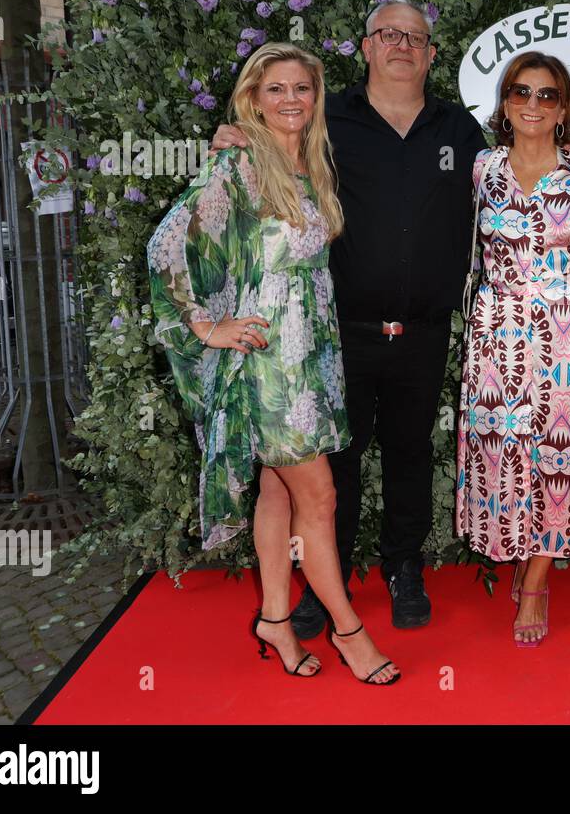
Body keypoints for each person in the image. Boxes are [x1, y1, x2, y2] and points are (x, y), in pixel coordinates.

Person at [211, 0, 487, 637]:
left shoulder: (459, 129)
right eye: (388, 34)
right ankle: (320, 583)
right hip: (336, 333)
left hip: (424, 330)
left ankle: (404, 566)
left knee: (411, 454)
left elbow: (506, 192)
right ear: (365, 47)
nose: (402, 45)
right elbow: (269, 151)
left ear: (432, 54)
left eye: (415, 37)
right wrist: (234, 141)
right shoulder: (325, 119)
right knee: (333, 464)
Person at [147, 42, 398, 684]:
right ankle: (348, 630)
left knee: (277, 494)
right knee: (321, 494)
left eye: (302, 89)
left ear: (316, 99)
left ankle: (275, 621)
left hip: (312, 351)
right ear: (252, 98)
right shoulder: (237, 164)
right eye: (276, 89)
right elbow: (168, 243)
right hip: (268, 362)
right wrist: (206, 326)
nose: (291, 100)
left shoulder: (310, 163)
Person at [455, 51, 570, 646]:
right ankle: (515, 544)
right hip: (496, 328)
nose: (533, 104)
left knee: (555, 451)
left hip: (567, 330)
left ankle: (540, 575)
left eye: (548, 95)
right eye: (521, 92)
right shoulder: (483, 168)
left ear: (565, 107)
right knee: (504, 450)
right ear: (504, 102)